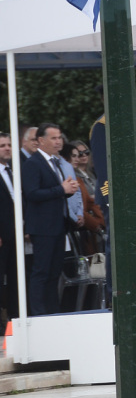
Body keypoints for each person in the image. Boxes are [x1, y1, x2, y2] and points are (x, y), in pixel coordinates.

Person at [22, 123, 79, 316]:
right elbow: (32, 193)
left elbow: (55, 193)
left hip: (57, 225)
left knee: (55, 272)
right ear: (41, 141)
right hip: (42, 226)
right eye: (54, 138)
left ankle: (52, 310)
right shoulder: (33, 163)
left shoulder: (55, 162)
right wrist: (61, 189)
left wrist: (69, 190)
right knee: (42, 271)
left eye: (60, 137)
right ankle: (38, 311)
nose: (58, 142)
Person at [0, 133, 19, 320]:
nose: (7, 148)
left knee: (16, 280)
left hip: (16, 236)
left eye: (9, 145)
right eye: (2, 145)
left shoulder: (13, 171)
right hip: (2, 235)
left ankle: (14, 320)